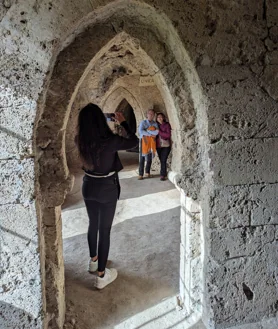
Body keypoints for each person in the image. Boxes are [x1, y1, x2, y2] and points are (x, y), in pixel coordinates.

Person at [75, 103, 138, 289]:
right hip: (107, 188)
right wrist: (124, 123)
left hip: (88, 186)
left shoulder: (79, 139)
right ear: (101, 121)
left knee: (92, 224)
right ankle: (102, 275)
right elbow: (134, 141)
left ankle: (93, 261)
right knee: (105, 230)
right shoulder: (110, 141)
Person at [138, 109, 159, 180]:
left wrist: (147, 131)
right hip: (144, 141)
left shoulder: (155, 123)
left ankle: (147, 172)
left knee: (149, 157)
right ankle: (140, 174)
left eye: (152, 114)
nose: (151, 115)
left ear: (154, 115)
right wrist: (150, 133)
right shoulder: (143, 122)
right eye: (149, 113)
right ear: (147, 115)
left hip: (152, 142)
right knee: (142, 157)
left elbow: (156, 132)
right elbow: (141, 131)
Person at [156, 112, 171, 181]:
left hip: (165, 146)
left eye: (161, 117)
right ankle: (163, 173)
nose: (160, 118)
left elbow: (168, 135)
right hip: (158, 145)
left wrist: (159, 132)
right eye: (158, 117)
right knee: (161, 159)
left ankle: (162, 175)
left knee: (163, 159)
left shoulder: (167, 125)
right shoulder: (155, 125)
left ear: (163, 118)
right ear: (156, 118)